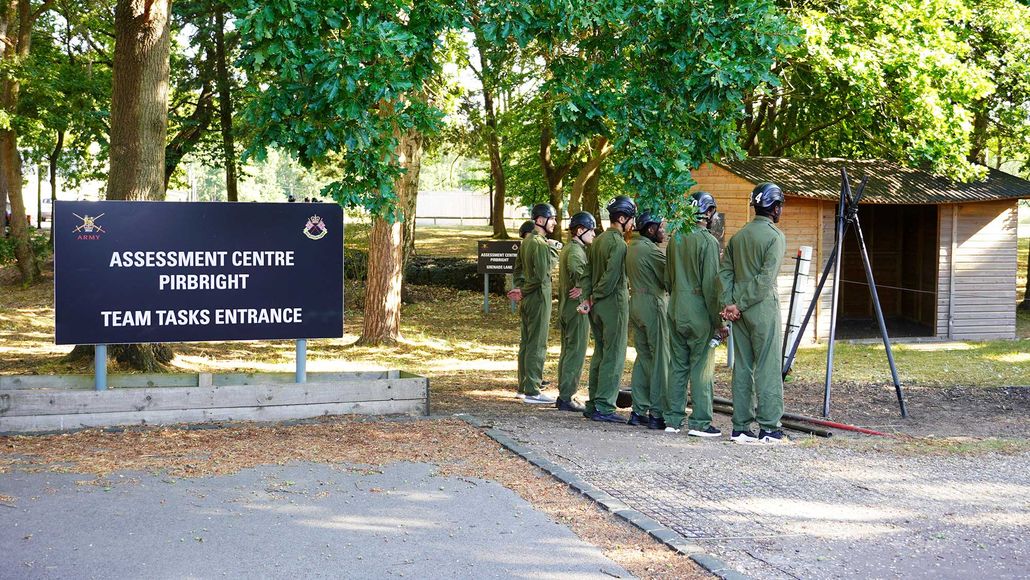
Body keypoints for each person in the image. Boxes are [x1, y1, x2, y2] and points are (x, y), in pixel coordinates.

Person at [718, 182, 787, 444]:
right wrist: (742, 303)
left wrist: (730, 303)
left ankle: (740, 427)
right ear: (775, 207)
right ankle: (769, 428)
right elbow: (765, 279)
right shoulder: (775, 237)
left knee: (743, 366)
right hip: (761, 308)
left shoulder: (738, 237)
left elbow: (725, 272)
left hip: (739, 312)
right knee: (768, 366)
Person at [665, 191, 728, 436]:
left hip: (676, 306)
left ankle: (672, 419)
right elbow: (712, 287)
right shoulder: (708, 242)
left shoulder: (674, 239)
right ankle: (700, 422)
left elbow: (668, 278)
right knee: (701, 366)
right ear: (708, 212)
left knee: (678, 365)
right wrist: (719, 321)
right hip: (699, 310)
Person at [584, 195, 635, 423]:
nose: (632, 224)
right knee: (614, 356)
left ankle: (593, 402)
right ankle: (604, 406)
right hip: (613, 304)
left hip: (597, 306)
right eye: (631, 219)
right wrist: (596, 295)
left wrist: (589, 297)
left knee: (600, 353)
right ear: (622, 218)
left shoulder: (598, 240)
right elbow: (612, 276)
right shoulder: (618, 244)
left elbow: (587, 273)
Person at [511, 204, 561, 404]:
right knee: (537, 344)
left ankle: (524, 387)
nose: (555, 223)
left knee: (527, 342)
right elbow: (542, 276)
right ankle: (533, 390)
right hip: (539, 297)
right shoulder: (540, 244)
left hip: (529, 298)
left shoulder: (527, 241)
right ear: (541, 220)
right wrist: (555, 251)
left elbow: (517, 270)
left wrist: (521, 289)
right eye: (553, 219)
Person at [625, 210, 669, 430]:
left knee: (643, 358)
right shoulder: (650, 250)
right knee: (660, 357)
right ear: (650, 229)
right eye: (661, 227)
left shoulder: (632, 246)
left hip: (636, 302)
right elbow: (669, 279)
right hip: (653, 303)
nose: (664, 231)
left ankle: (638, 410)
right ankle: (657, 413)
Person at [555, 212, 597, 413]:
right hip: (577, 308)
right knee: (576, 352)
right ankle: (567, 396)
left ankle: (564, 394)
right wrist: (584, 286)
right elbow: (577, 269)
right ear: (580, 230)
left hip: (568, 307)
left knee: (568, 351)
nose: (594, 234)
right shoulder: (575, 251)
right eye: (591, 230)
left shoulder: (570, 248)